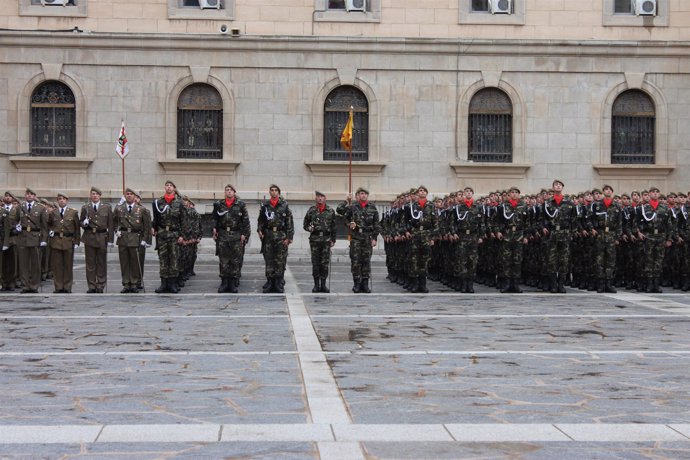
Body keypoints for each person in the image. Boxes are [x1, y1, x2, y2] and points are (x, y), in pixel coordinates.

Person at [337, 187, 380, 293]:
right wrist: (346, 201)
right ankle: (356, 283)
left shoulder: (372, 207)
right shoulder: (352, 207)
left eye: (365, 193)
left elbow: (376, 224)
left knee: (366, 261)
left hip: (367, 237)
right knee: (355, 261)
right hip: (356, 237)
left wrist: (374, 238)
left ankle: (365, 284)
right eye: (361, 193)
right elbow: (340, 211)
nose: (363, 195)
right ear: (358, 195)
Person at [634, 186, 673, 293]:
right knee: (649, 260)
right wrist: (639, 232)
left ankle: (656, 284)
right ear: (649, 194)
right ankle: (649, 284)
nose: (655, 194)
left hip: (660, 237)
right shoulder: (643, 208)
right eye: (652, 192)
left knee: (659, 261)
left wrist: (669, 239)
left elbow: (669, 225)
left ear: (659, 194)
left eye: (657, 192)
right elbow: (636, 223)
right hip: (648, 236)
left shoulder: (665, 208)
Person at [213, 184, 250, 293]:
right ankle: (224, 283)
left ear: (234, 192)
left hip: (236, 235)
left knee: (235, 260)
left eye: (231, 190)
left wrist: (245, 234)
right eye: (227, 190)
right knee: (223, 260)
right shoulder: (219, 204)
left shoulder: (241, 205)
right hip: (223, 235)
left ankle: (233, 283)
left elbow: (246, 221)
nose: (229, 192)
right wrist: (214, 229)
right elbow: (214, 218)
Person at [541, 179, 576, 293]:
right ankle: (553, 285)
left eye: (560, 185)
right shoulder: (547, 203)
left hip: (565, 234)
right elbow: (542, 218)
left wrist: (571, 232)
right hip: (552, 234)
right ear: (553, 187)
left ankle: (561, 285)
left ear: (562, 187)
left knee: (564, 260)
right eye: (556, 185)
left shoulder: (569, 203)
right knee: (551, 260)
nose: (558, 186)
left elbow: (574, 219)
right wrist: (543, 227)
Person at [257, 184, 293, 293]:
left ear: (278, 192)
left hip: (281, 236)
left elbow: (289, 223)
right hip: (268, 236)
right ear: (269, 192)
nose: (273, 192)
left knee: (280, 260)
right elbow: (261, 221)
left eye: (275, 190)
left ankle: (278, 282)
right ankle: (270, 281)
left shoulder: (284, 205)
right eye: (271, 190)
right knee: (269, 259)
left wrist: (289, 237)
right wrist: (259, 230)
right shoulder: (265, 206)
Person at [114, 188, 150, 293]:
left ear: (135, 197)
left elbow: (146, 226)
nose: (129, 196)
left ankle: (134, 283)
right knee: (124, 262)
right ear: (125, 196)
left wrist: (144, 239)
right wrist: (116, 230)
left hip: (135, 238)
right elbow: (114, 221)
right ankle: (126, 283)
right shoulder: (119, 208)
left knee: (134, 262)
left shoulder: (141, 209)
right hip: (123, 237)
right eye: (127, 194)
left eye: (131, 194)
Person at [152, 180, 186, 294]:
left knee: (174, 259)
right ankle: (163, 283)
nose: (169, 187)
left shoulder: (180, 202)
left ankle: (172, 283)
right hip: (162, 234)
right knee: (163, 259)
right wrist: (154, 228)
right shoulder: (158, 202)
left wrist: (182, 235)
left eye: (171, 186)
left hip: (174, 234)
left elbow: (183, 220)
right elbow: (156, 219)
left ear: (174, 188)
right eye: (167, 185)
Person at [589, 184, 623, 293]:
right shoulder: (596, 205)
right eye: (606, 190)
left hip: (611, 235)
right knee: (599, 260)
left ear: (612, 192)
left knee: (610, 261)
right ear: (603, 192)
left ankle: (609, 284)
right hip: (600, 234)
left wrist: (617, 236)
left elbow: (619, 223)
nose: (608, 191)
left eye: (610, 189)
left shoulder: (616, 206)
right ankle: (600, 284)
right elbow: (589, 219)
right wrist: (592, 229)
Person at [403, 185, 437, 293]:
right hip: (415, 234)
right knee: (414, 260)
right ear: (417, 194)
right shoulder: (411, 206)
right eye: (420, 191)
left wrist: (432, 237)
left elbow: (435, 223)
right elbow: (405, 221)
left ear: (426, 193)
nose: (422, 192)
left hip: (426, 234)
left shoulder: (431, 205)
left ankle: (423, 284)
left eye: (424, 191)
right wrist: (406, 231)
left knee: (424, 260)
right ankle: (415, 284)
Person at [494, 186, 529, 293]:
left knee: (517, 260)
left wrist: (526, 236)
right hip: (507, 236)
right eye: (512, 192)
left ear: (519, 194)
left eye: (516, 192)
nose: (514, 194)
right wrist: (498, 231)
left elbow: (527, 222)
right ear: (509, 195)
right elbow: (497, 220)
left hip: (518, 236)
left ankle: (516, 284)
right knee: (506, 261)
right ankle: (507, 284)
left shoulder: (523, 206)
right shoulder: (503, 206)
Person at [79, 186, 113, 293]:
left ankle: (101, 285)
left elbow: (110, 224)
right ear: (90, 195)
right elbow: (80, 222)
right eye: (93, 194)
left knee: (101, 262)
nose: (94, 196)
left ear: (100, 196)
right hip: (89, 236)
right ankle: (92, 285)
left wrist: (111, 239)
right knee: (90, 263)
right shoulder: (86, 207)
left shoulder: (106, 207)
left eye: (96, 194)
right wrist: (84, 224)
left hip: (102, 236)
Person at [13, 188, 48, 293]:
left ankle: (34, 285)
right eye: (27, 194)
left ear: (34, 196)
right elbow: (14, 221)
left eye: (31, 194)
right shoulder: (20, 207)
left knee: (35, 263)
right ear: (25, 195)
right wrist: (17, 227)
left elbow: (44, 226)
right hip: (23, 237)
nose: (29, 196)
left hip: (35, 237)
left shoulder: (40, 208)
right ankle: (25, 285)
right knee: (23, 264)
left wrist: (44, 239)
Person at [450, 187, 484, 293]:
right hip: (462, 236)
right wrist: (454, 233)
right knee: (462, 261)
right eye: (466, 192)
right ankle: (464, 284)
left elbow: (482, 223)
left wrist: (481, 236)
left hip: (473, 237)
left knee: (472, 261)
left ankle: (470, 284)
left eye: (470, 192)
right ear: (463, 194)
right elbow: (452, 222)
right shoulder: (458, 208)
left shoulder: (478, 207)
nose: (468, 193)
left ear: (472, 194)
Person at [303, 190, 337, 293]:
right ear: (315, 198)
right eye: (318, 196)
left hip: (326, 240)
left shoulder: (330, 211)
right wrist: (309, 228)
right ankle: (316, 285)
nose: (320, 198)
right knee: (315, 263)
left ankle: (323, 284)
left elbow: (334, 227)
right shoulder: (311, 210)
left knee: (325, 263)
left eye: (322, 196)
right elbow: (305, 224)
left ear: (325, 198)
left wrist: (333, 239)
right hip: (315, 240)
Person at [47, 192, 80, 293]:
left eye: (64, 199)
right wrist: (50, 232)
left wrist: (77, 241)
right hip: (56, 241)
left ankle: (67, 286)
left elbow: (77, 228)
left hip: (68, 241)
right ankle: (58, 286)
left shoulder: (73, 213)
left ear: (67, 201)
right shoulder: (53, 213)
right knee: (57, 266)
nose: (61, 200)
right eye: (60, 199)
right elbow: (49, 225)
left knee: (68, 265)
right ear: (57, 201)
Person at [134, 191, 152, 290]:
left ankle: (139, 281)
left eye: (137, 197)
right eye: (134, 197)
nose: (135, 199)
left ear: (140, 199)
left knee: (139, 261)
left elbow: (148, 227)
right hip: (131, 238)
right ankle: (132, 281)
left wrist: (147, 241)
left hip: (141, 238)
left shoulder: (145, 210)